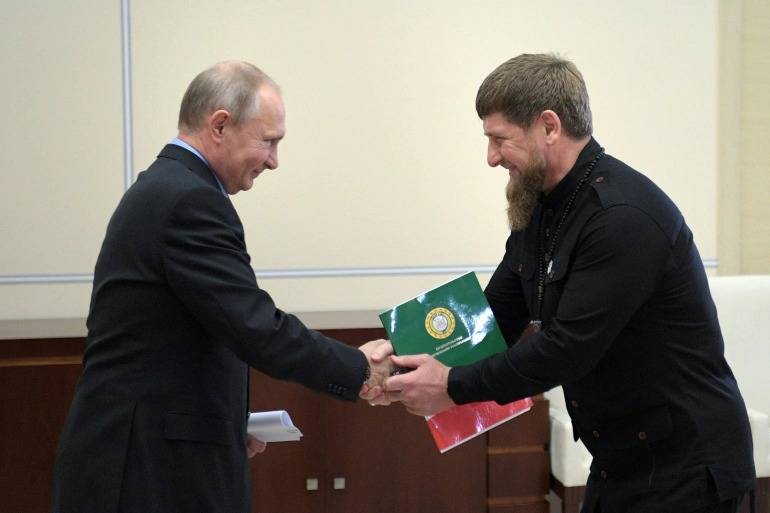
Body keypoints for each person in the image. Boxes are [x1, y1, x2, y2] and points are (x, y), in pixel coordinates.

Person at [372, 54, 755, 513]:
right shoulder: (544, 205)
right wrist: (400, 359)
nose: (491, 158)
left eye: (499, 140)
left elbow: (564, 349)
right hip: (622, 458)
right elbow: (495, 314)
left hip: (685, 466)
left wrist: (452, 384)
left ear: (549, 127)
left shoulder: (622, 217)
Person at [51, 61, 389, 513]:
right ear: (220, 125)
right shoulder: (189, 200)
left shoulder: (169, 188)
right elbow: (255, 327)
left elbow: (173, 340)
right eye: (268, 141)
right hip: (146, 471)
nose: (273, 160)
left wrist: (225, 421)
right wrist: (360, 369)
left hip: (149, 456)